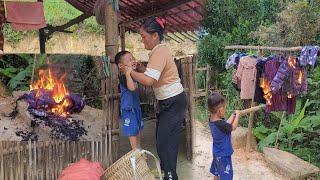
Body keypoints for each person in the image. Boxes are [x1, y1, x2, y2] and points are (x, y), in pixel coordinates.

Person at [121, 16, 187, 180]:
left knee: (167, 144)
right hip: (169, 102)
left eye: (144, 37)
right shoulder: (158, 52)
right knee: (162, 142)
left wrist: (130, 72)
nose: (143, 41)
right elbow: (153, 74)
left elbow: (149, 81)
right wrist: (141, 68)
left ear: (155, 35)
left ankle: (170, 176)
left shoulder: (160, 51)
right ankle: (168, 174)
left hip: (173, 102)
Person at [208, 92, 241, 180]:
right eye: (224, 108)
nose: (225, 109)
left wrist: (233, 115)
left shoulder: (212, 120)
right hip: (224, 156)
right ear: (219, 110)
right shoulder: (221, 124)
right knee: (226, 177)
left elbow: (226, 125)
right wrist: (237, 115)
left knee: (217, 173)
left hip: (217, 153)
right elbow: (233, 127)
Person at [115, 50, 144, 150]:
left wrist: (139, 66)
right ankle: (135, 152)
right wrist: (128, 74)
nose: (133, 61)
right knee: (132, 132)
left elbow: (146, 73)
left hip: (136, 108)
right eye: (129, 60)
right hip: (128, 109)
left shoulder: (134, 74)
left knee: (138, 130)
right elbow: (132, 88)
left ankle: (139, 150)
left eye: (133, 58)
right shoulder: (123, 77)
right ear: (121, 66)